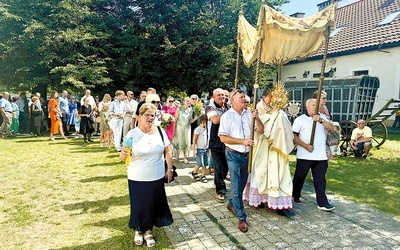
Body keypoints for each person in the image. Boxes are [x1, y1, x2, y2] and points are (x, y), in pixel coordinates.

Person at [119, 103, 174, 248]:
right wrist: (122, 154)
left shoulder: (160, 131)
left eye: (153, 115)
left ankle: (148, 231)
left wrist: (169, 169)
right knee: (139, 205)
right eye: (147, 115)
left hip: (156, 176)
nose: (150, 118)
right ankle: (138, 230)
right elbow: (124, 155)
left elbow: (168, 152)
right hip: (137, 176)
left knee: (152, 205)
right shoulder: (131, 134)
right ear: (139, 116)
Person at [244, 84, 295, 217]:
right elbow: (258, 129)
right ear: (264, 96)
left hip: (277, 148)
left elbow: (286, 128)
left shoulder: (279, 111)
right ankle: (259, 199)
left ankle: (278, 202)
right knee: (261, 172)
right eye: (270, 97)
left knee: (278, 173)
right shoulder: (258, 108)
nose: (272, 100)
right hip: (262, 146)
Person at [219, 89, 263, 233]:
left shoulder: (249, 114)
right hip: (233, 154)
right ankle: (242, 218)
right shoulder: (226, 116)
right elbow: (223, 138)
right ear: (232, 100)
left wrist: (256, 118)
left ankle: (231, 203)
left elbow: (261, 130)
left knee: (242, 184)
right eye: (241, 97)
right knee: (237, 185)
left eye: (244, 97)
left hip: (247, 155)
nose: (244, 99)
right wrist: (243, 141)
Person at [292, 98, 335, 211]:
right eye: (313, 105)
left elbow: (331, 127)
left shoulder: (322, 117)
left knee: (320, 179)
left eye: (317, 105)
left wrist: (320, 120)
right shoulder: (300, 120)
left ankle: (322, 202)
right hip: (305, 155)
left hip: (320, 156)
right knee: (299, 177)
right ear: (307, 107)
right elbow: (294, 136)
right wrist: (305, 146)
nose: (315, 107)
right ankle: (295, 195)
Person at [205, 88, 230, 202]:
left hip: (227, 141)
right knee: (218, 167)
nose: (222, 97)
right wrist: (229, 114)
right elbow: (215, 120)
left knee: (225, 167)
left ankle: (218, 181)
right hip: (215, 141)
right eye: (219, 95)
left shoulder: (228, 107)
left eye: (223, 95)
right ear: (214, 97)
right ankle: (220, 191)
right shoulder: (210, 108)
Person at [174, 97, 196, 163]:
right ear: (183, 102)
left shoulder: (190, 110)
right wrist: (174, 129)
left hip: (187, 128)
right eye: (187, 101)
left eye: (189, 101)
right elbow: (175, 119)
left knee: (187, 141)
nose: (189, 102)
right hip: (179, 127)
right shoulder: (179, 109)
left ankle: (185, 158)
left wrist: (196, 117)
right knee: (179, 141)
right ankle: (177, 156)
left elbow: (191, 121)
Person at [191, 114, 209, 183]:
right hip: (199, 148)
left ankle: (203, 175)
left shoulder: (206, 129)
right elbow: (194, 139)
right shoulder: (198, 129)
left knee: (205, 163)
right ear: (203, 122)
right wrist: (194, 150)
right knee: (199, 163)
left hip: (205, 148)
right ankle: (194, 171)